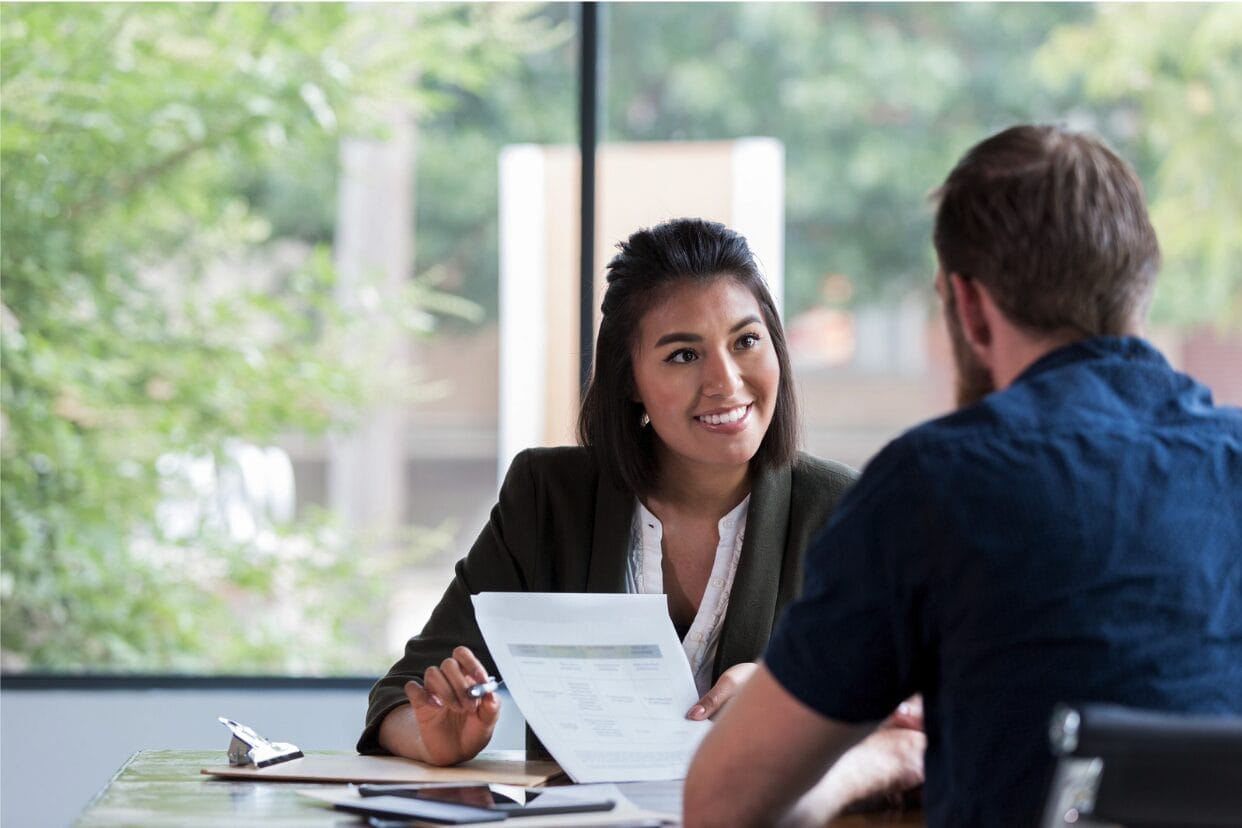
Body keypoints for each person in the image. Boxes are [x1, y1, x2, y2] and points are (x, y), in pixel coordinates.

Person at [684, 125, 1242, 828]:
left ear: (969, 306)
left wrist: (878, 758)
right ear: (1141, 283)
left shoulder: (936, 484)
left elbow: (721, 805)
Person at [358, 217, 925, 806]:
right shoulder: (549, 498)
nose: (725, 381)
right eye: (683, 355)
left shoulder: (846, 512)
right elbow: (400, 696)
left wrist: (793, 698)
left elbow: (917, 715)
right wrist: (431, 738)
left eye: (746, 341)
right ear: (630, 380)